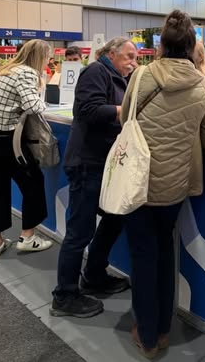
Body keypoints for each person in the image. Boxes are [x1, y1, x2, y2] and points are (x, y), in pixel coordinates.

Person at [121, 10, 205, 359]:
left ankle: (147, 336)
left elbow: (125, 119)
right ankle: (163, 330)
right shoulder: (202, 84)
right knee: (165, 252)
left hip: (138, 183)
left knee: (142, 256)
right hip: (175, 186)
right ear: (193, 47)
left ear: (161, 44)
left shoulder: (142, 75)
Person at [51, 37, 138, 318]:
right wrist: (125, 111)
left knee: (115, 218)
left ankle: (94, 275)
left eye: (136, 58)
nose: (133, 62)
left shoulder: (119, 77)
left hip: (105, 165)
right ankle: (64, 295)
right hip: (87, 164)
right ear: (111, 53)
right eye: (129, 56)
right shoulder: (96, 72)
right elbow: (88, 110)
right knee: (80, 232)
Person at [0, 39, 53, 259]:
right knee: (33, 183)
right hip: (9, 141)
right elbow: (33, 106)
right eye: (48, 58)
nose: (49, 62)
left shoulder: (5, 69)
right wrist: (43, 98)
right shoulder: (26, 73)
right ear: (40, 56)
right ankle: (28, 237)